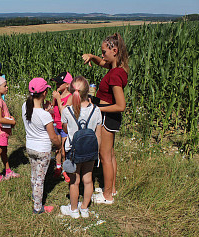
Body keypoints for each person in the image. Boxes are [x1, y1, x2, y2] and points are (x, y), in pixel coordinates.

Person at [82, 32, 129, 204]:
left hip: (108, 117)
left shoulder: (115, 74)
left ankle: (107, 196)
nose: (102, 55)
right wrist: (91, 56)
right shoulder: (115, 67)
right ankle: (112, 189)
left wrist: (97, 107)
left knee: (105, 156)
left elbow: (121, 105)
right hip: (109, 116)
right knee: (110, 155)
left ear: (114, 50)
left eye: (104, 52)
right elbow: (101, 62)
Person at [60, 76, 102, 218]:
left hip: (73, 151)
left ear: (72, 92)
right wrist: (97, 154)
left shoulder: (67, 111)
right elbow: (98, 135)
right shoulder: (96, 110)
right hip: (90, 151)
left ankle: (73, 210)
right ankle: (84, 208)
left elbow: (65, 130)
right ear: (87, 92)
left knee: (74, 181)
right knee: (88, 180)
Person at [22, 77, 61, 214]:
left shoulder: (25, 107)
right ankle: (38, 207)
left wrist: (46, 110)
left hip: (30, 146)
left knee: (34, 173)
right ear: (44, 93)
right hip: (42, 150)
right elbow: (53, 137)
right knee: (40, 179)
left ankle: (34, 195)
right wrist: (59, 145)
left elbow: (36, 115)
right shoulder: (45, 116)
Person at [0, 76, 20, 183]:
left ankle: (8, 171)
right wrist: (12, 121)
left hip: (1, 132)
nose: (7, 87)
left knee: (4, 153)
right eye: (5, 86)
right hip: (0, 132)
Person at [50, 72, 73, 180]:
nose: (57, 85)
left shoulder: (70, 97)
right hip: (56, 124)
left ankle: (66, 169)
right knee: (57, 148)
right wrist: (48, 108)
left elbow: (64, 111)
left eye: (60, 83)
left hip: (64, 126)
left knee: (64, 150)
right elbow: (54, 110)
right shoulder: (56, 95)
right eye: (57, 83)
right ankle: (58, 168)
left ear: (67, 84)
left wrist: (58, 98)